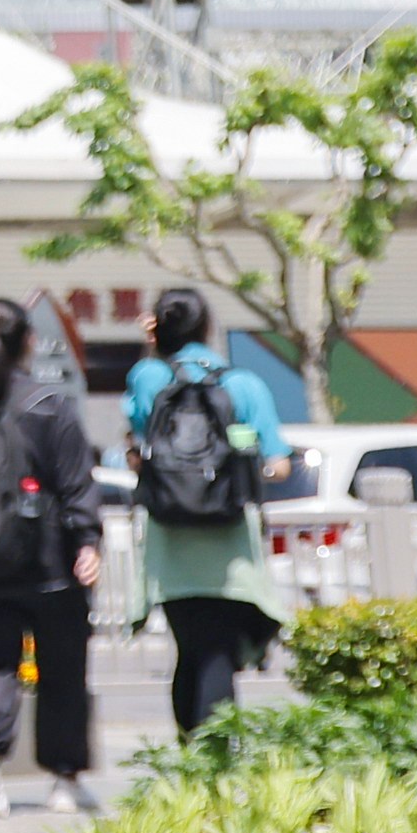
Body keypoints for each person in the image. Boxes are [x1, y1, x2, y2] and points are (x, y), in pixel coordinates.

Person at [0, 296, 102, 815]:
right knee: (62, 668)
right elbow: (76, 482)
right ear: (29, 342)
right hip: (49, 564)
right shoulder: (48, 404)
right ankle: (64, 780)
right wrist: (88, 540)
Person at [122, 287, 285, 734]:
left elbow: (138, 436)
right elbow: (279, 463)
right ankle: (213, 757)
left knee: (189, 646)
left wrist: (154, 349)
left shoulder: (148, 377)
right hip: (229, 536)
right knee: (218, 651)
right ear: (207, 326)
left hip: (169, 534)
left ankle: (190, 749)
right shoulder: (243, 383)